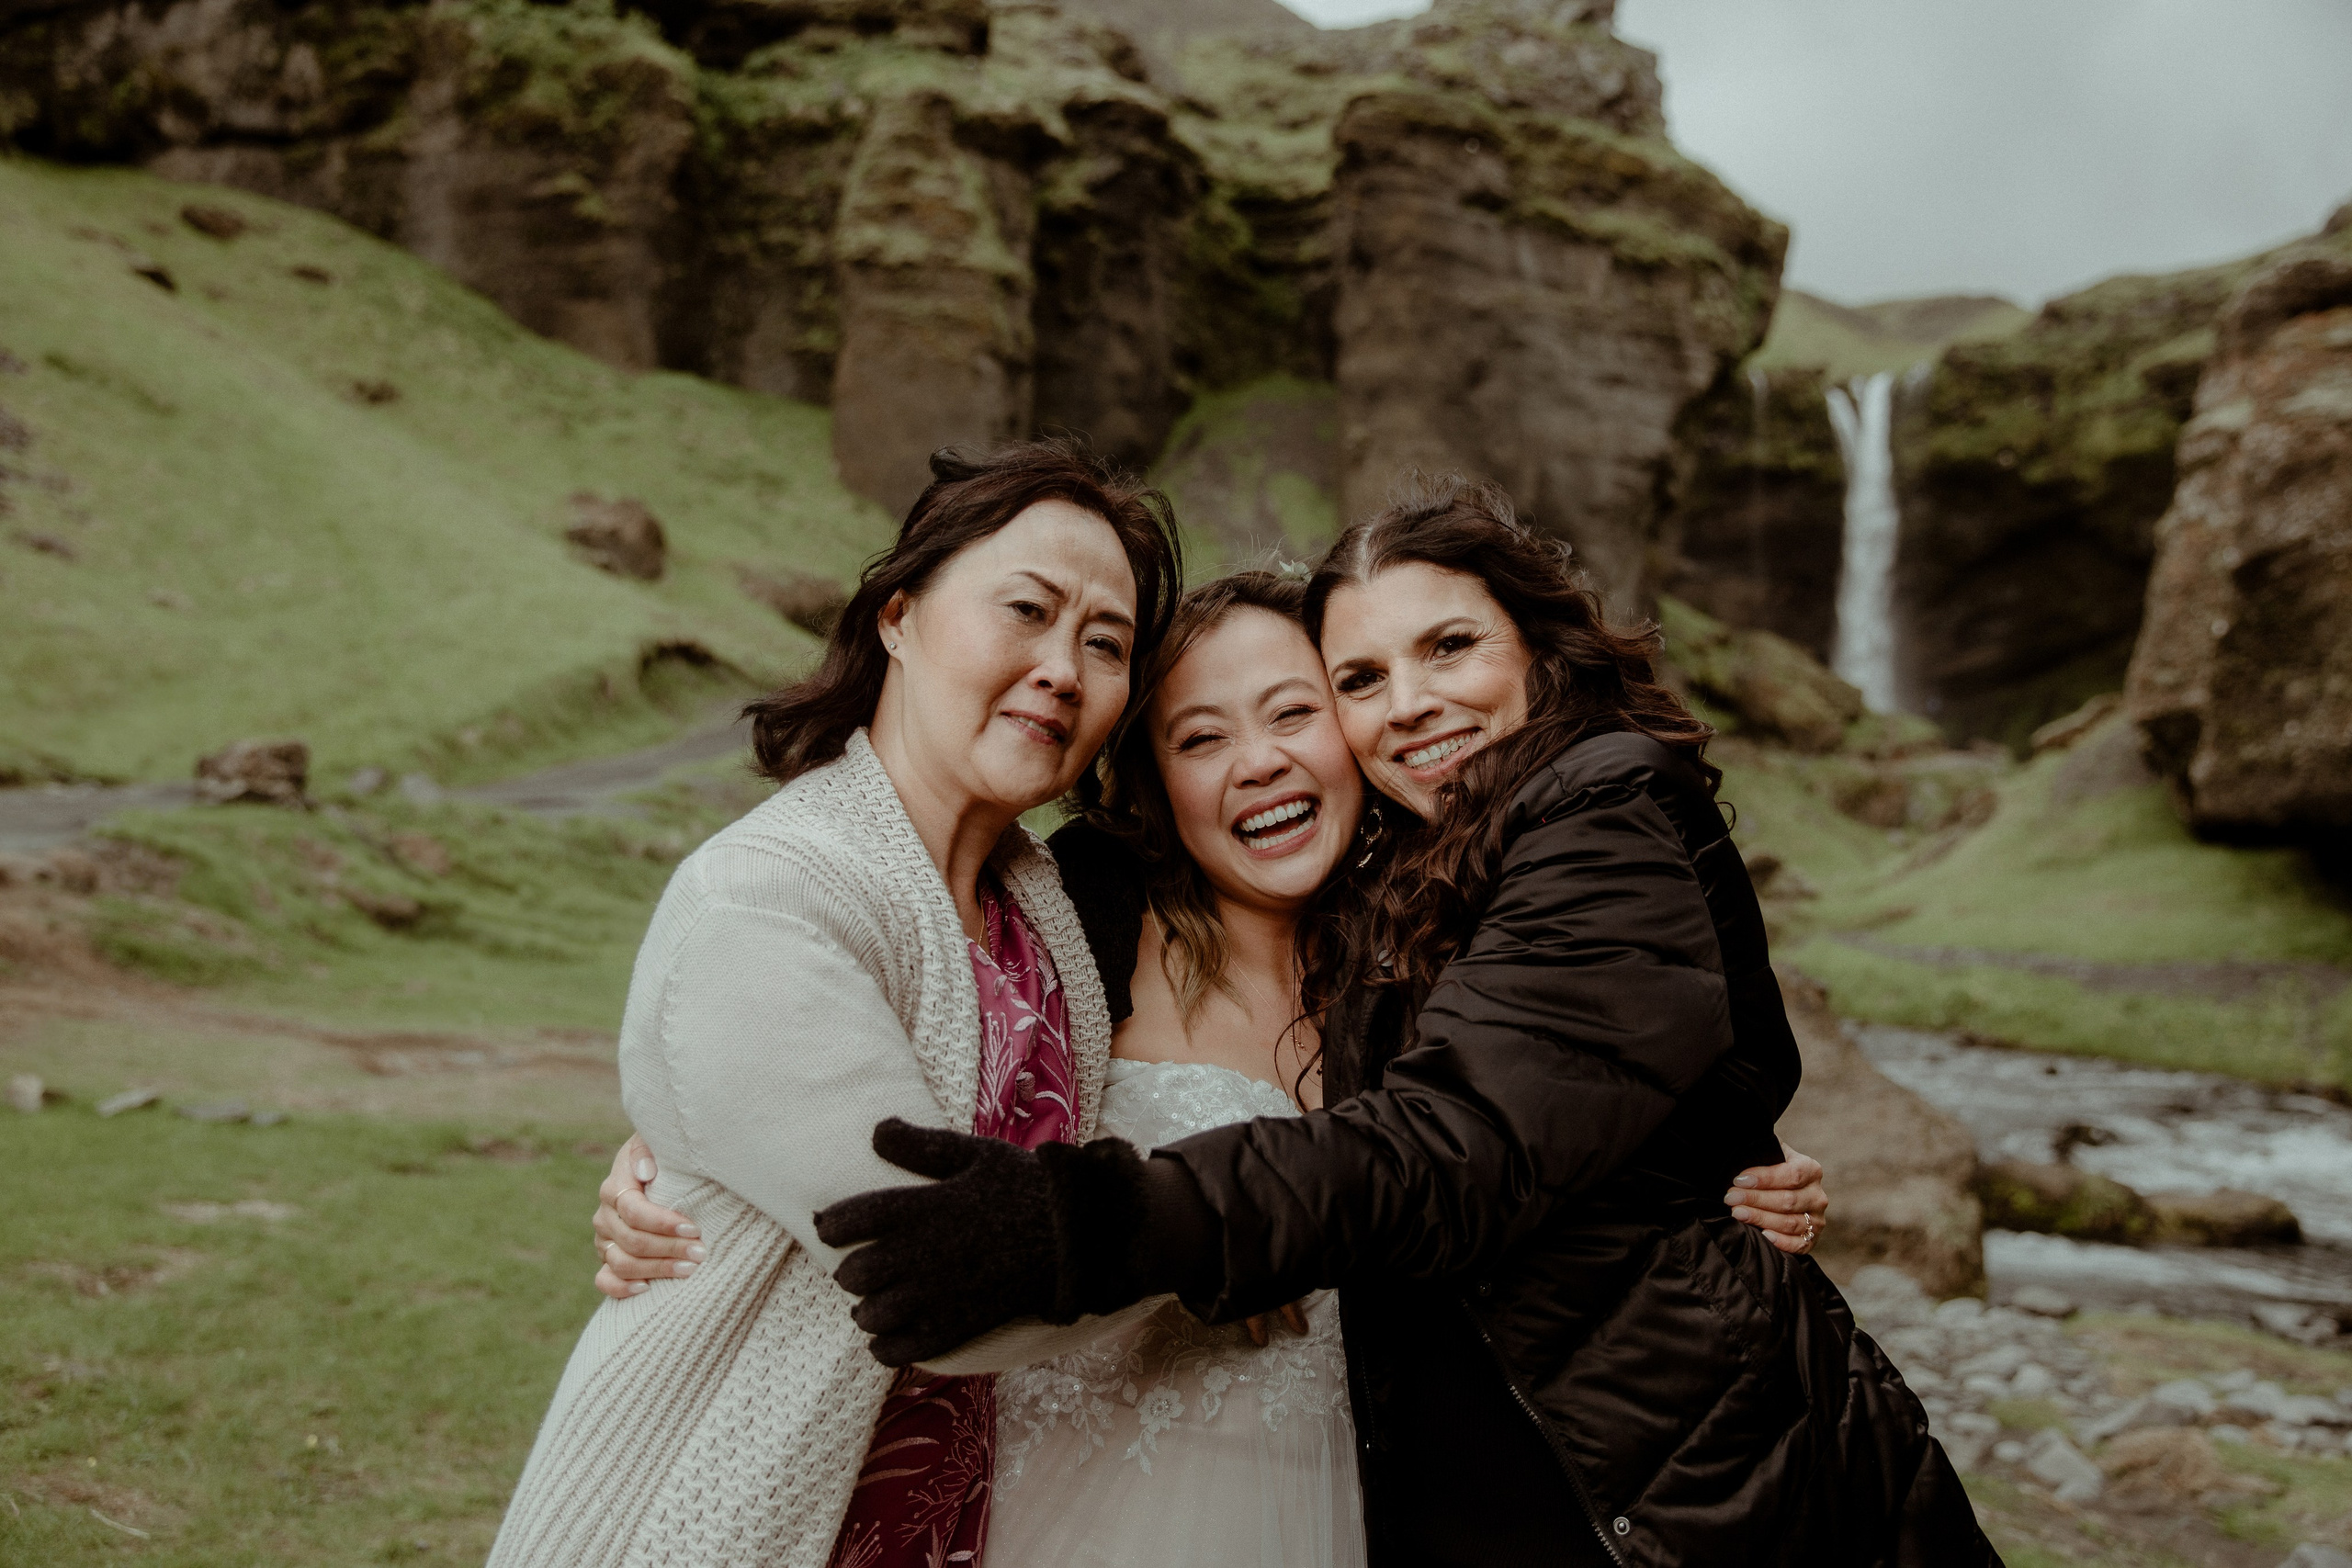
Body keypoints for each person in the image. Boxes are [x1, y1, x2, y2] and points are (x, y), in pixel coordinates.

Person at [810, 478, 1997, 1565]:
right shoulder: (1318, 895)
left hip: (1646, 1485)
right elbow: (904, 1013)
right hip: (1359, 1483)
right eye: (1365, 678)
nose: (1412, 702)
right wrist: (680, 1163)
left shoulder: (1598, 810)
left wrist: (1126, 1219)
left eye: (1449, 645)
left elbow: (1454, 1135)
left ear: (1539, 645)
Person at [593, 569, 1838, 1564]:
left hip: (1350, 1494)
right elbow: (890, 1091)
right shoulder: (1072, 926)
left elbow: (1512, 1117)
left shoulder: (1428, 958)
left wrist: (1720, 1170)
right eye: (1201, 735)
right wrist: (678, 1164)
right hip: (1067, 1488)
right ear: (1152, 780)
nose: (1260, 761)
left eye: (1298, 711)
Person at [484, 439, 1182, 1568]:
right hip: (723, 1523)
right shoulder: (768, 897)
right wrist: (1220, 1246)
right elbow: (936, 1268)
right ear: (899, 617)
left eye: (1105, 643)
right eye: (1027, 610)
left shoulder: (1035, 903)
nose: (1063, 666)